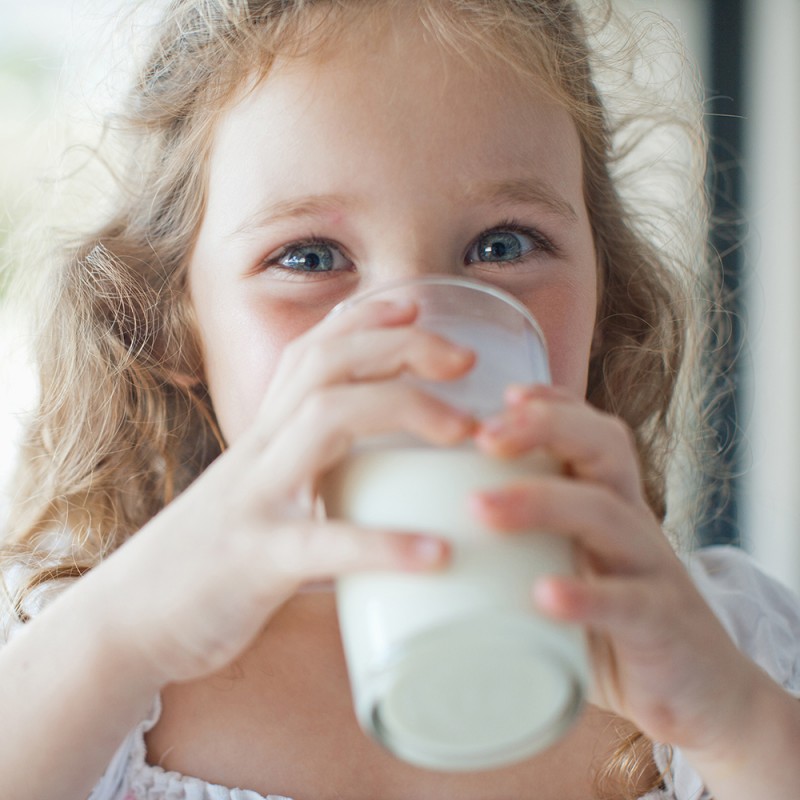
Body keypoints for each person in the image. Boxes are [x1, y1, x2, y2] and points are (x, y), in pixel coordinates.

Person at [1, 0, 799, 798]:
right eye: (310, 257)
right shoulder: (63, 667)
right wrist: (123, 635)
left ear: (604, 297)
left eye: (502, 246)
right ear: (172, 323)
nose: (421, 341)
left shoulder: (726, 651)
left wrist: (734, 723)